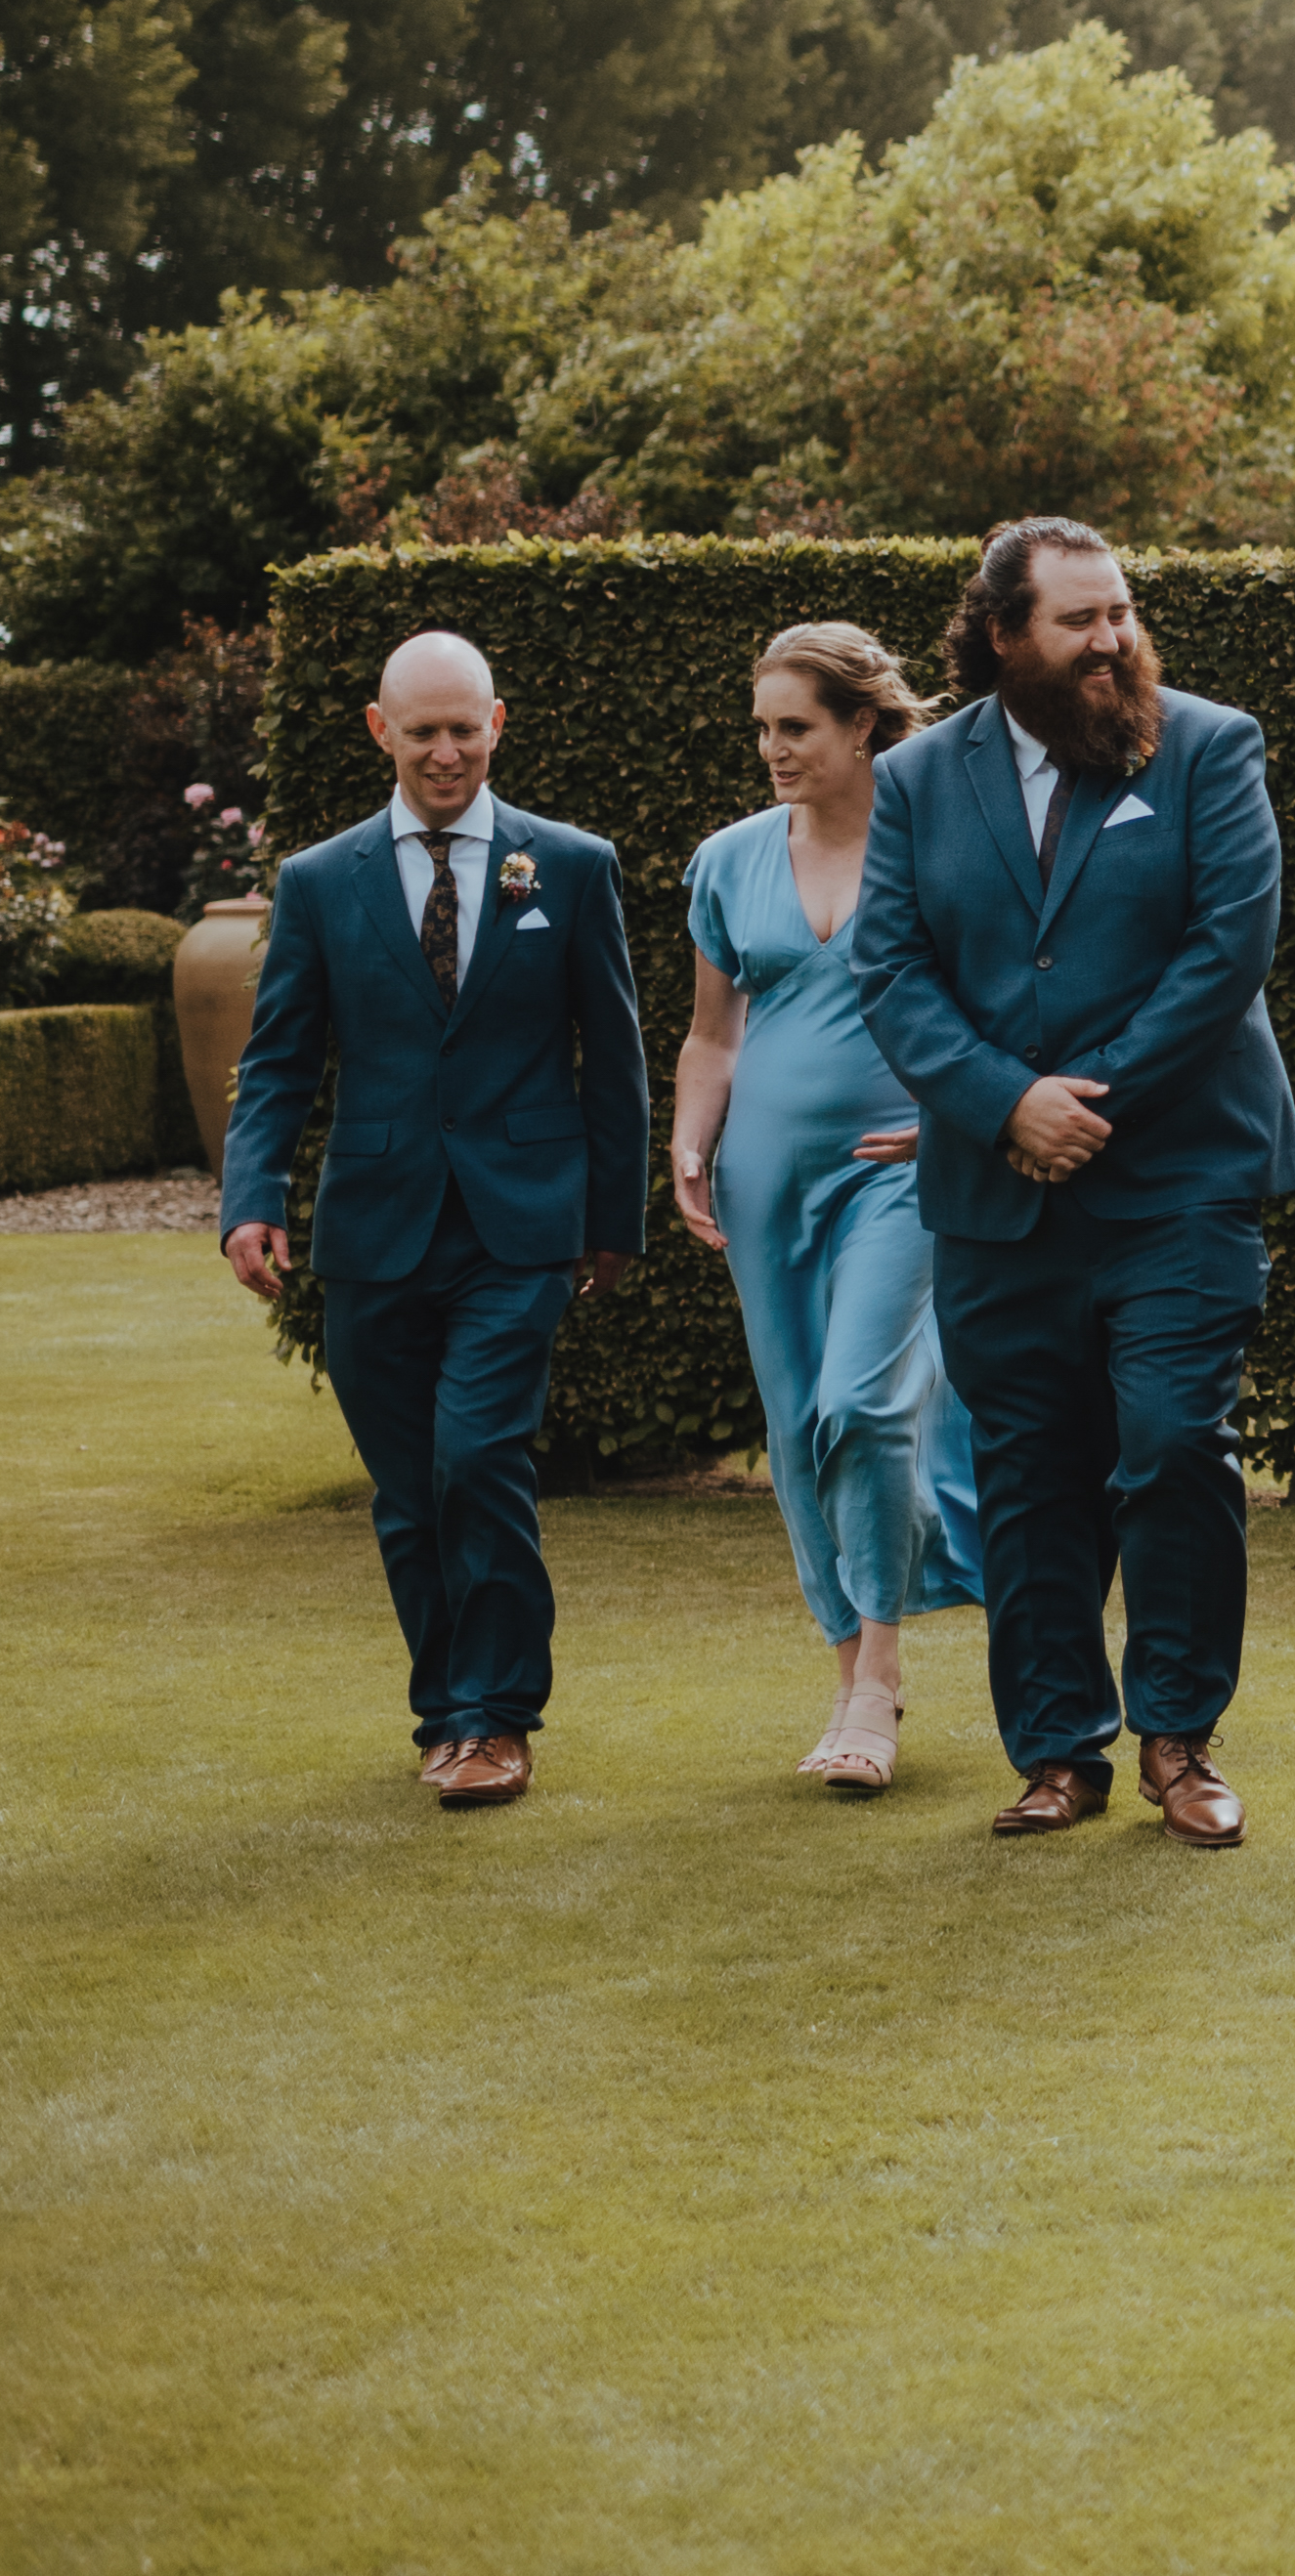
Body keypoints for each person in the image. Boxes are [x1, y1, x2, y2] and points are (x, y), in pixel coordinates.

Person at [847, 520, 1295, 1846]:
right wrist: (1005, 1106)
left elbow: (1228, 951)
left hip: (1179, 1176)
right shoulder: (923, 776)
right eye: (1077, 621)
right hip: (997, 1195)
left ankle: (1179, 1737)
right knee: (1031, 1471)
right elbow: (889, 968)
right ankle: (1058, 1749)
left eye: (1121, 612)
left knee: (1171, 1443)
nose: (1112, 640)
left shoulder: (1212, 745)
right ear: (1004, 637)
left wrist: (1079, 1100)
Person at [218, 630, 650, 1812]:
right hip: (373, 1230)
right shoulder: (318, 881)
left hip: (520, 1230)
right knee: (409, 1490)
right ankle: (441, 1712)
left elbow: (612, 1059)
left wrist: (613, 1218)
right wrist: (250, 1201)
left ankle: (496, 1719)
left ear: (497, 724)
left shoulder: (567, 865)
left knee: (479, 1459)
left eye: (466, 729)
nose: (447, 751)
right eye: (424, 733)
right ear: (381, 732)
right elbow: (278, 1064)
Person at [672, 621, 977, 1797]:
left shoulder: (936, 848)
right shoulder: (727, 860)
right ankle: (851, 1673)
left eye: (794, 727)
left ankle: (880, 1672)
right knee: (799, 1418)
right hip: (764, 1178)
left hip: (901, 1169)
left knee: (865, 1400)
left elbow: (992, 1013)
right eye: (761, 729)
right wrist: (690, 1138)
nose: (772, 750)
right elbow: (713, 1033)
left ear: (862, 726)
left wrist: (960, 1117)